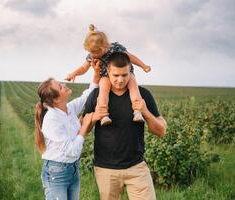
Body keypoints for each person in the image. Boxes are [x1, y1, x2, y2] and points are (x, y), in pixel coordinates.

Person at [83, 52, 167, 200]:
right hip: (105, 169)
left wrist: (145, 111)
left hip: (137, 167)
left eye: (124, 75)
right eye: (115, 75)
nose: (120, 80)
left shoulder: (143, 95)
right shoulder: (97, 95)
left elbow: (161, 131)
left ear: (131, 72)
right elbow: (82, 128)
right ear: (108, 72)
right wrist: (95, 116)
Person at [34, 67, 107, 200]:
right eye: (60, 87)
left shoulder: (68, 109)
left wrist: (96, 74)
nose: (64, 84)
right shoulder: (52, 119)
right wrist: (84, 126)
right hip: (57, 172)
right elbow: (71, 151)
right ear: (55, 100)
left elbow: (87, 96)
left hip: (72, 169)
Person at [65, 24, 152, 126]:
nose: (94, 55)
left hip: (125, 74)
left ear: (105, 45)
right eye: (91, 52)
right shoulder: (92, 56)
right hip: (106, 76)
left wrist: (143, 66)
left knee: (134, 88)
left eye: (96, 52)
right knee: (103, 90)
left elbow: (131, 57)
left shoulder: (116, 48)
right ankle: (104, 115)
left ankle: (137, 112)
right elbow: (84, 68)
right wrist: (73, 74)